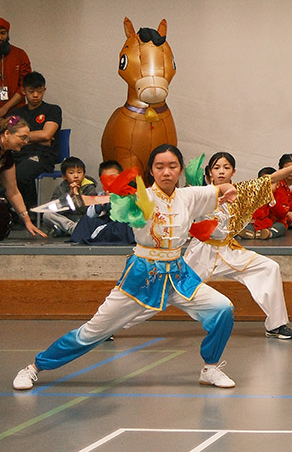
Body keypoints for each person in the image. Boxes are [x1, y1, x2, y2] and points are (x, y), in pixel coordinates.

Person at [12, 144, 248, 390]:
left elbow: (220, 187)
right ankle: (34, 367)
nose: (166, 172)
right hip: (142, 276)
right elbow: (99, 205)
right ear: (151, 171)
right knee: (92, 332)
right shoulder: (139, 197)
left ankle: (210, 367)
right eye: (160, 167)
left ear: (180, 169)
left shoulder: (190, 196)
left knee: (222, 308)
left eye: (172, 166)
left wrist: (228, 189)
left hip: (179, 275)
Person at [149, 152, 292, 340]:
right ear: (209, 172)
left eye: (226, 167)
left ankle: (276, 325)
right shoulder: (199, 193)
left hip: (229, 250)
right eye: (217, 167)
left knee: (269, 267)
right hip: (201, 252)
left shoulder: (240, 192)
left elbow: (268, 179)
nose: (221, 171)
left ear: (233, 171)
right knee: (169, 287)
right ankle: (119, 320)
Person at [12, 72, 62, 208]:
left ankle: (30, 211)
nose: (35, 95)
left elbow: (46, 136)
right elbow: (10, 138)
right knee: (5, 171)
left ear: (44, 90)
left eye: (39, 91)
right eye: (31, 91)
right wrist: (36, 137)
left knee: (21, 173)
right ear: (23, 91)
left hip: (44, 155)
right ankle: (12, 211)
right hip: (18, 154)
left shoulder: (52, 110)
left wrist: (21, 137)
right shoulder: (16, 113)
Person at [69, 160, 135, 246]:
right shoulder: (102, 194)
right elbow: (90, 214)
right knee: (87, 220)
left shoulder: (130, 191)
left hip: (123, 223)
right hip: (107, 221)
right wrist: (101, 204)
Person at [1, 116, 45, 239]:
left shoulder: (7, 157)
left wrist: (27, 221)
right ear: (7, 134)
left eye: (27, 138)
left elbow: (13, 192)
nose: (26, 142)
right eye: (23, 137)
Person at [41, 156, 99, 237]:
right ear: (64, 176)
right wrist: (69, 195)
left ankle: (64, 230)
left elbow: (89, 210)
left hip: (82, 218)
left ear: (84, 174)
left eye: (79, 172)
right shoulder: (60, 188)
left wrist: (77, 196)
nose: (76, 176)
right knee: (47, 215)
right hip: (66, 219)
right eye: (71, 173)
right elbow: (54, 209)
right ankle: (74, 229)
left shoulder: (89, 187)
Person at [0, 18, 32, 117]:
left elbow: (25, 85)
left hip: (17, 110)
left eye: (3, 33)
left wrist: (5, 108)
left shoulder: (20, 54)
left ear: (8, 34)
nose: (0, 37)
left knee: (16, 127)